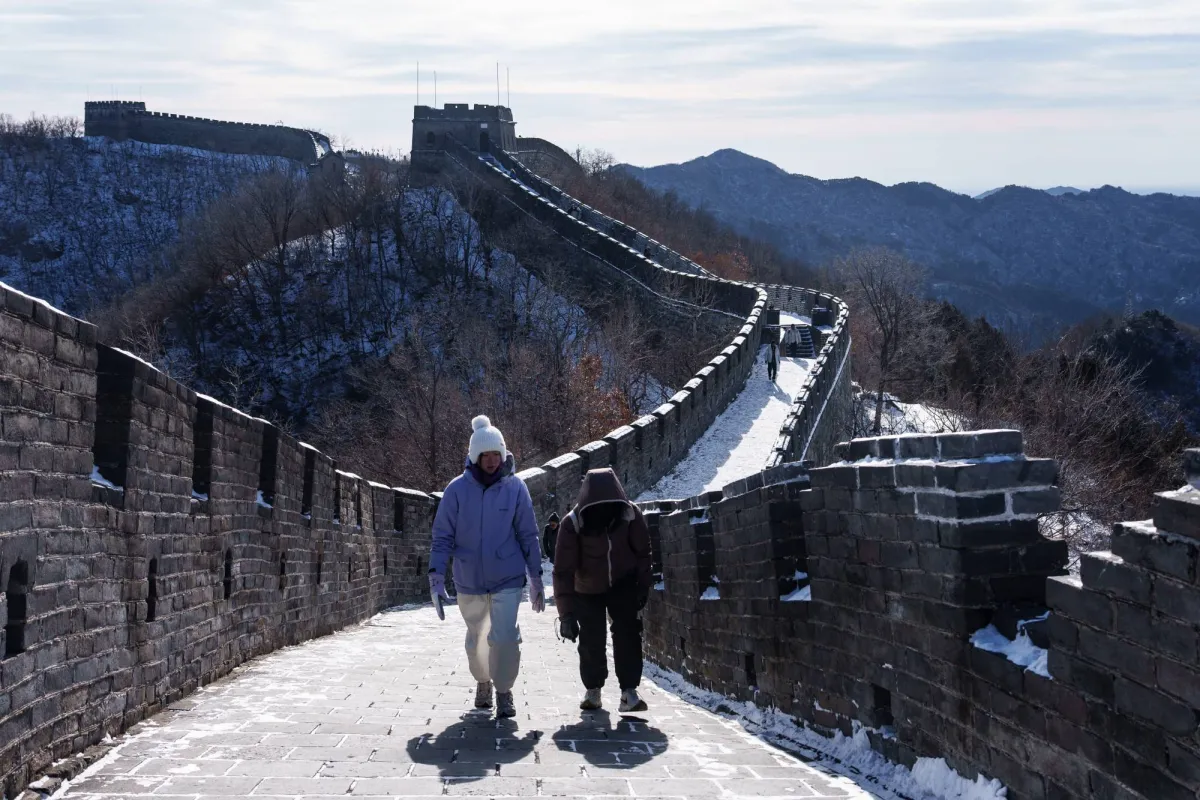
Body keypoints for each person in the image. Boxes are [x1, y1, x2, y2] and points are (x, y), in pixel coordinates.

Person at [429, 415, 545, 718]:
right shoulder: (456, 490)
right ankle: (483, 682)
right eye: (486, 455)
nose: (492, 461)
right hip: (469, 578)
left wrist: (535, 577)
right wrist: (436, 576)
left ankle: (504, 690)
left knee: (504, 637)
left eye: (497, 454)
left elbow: (528, 534)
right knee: (477, 640)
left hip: (508, 577)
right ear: (475, 457)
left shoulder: (516, 488)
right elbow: (442, 536)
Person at [553, 468, 652, 713]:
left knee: (628, 633)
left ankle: (629, 691)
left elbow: (643, 552)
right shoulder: (572, 523)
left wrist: (643, 585)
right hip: (586, 587)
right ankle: (593, 689)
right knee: (591, 638)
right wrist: (566, 614)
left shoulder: (629, 515)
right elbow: (563, 570)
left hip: (622, 581)